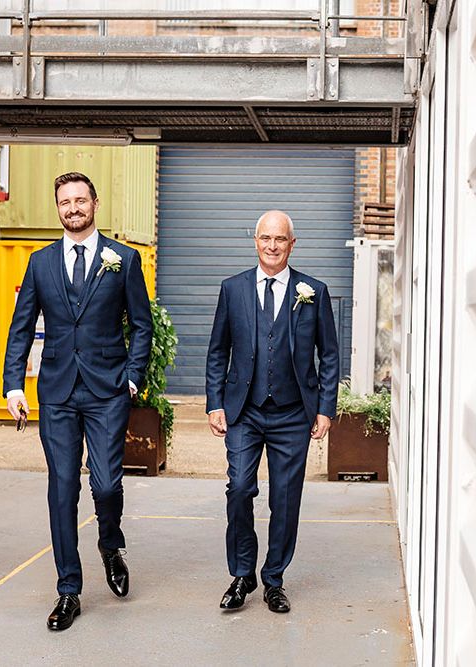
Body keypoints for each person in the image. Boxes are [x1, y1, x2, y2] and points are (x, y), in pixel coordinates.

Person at [3, 172, 152, 631]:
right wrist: (13, 386)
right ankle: (68, 589)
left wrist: (132, 377)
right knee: (62, 489)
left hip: (108, 390)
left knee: (106, 485)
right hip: (58, 393)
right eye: (65, 202)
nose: (73, 208)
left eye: (80, 200)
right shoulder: (40, 262)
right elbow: (21, 326)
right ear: (58, 208)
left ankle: (110, 542)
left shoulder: (122, 259)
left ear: (95, 203)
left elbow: (142, 325)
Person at [205, 209, 339, 614]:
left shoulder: (313, 291)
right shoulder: (233, 289)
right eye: (266, 238)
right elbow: (217, 351)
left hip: (293, 414)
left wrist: (325, 409)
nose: (273, 246)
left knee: (285, 499)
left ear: (292, 244)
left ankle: (274, 579)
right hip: (244, 411)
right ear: (256, 241)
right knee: (240, 488)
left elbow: (329, 355)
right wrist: (214, 402)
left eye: (280, 239)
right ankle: (242, 573)